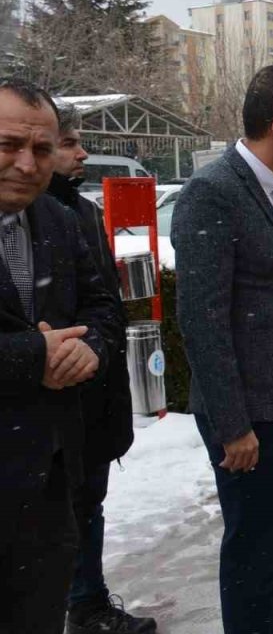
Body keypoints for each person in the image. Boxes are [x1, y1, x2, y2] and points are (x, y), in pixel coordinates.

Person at [172, 63, 273, 634]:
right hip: (251, 422)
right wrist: (234, 425)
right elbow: (203, 319)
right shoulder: (211, 195)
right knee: (255, 554)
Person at [0, 78, 121, 634]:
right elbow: (35, 348)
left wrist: (89, 351)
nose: (27, 164)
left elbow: (102, 306)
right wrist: (33, 355)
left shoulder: (58, 220)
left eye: (42, 149)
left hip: (49, 481)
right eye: (9, 145)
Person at [45, 105, 156, 634]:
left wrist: (98, 343)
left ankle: (86, 601)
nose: (81, 153)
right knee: (51, 516)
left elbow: (104, 302)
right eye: (68, 143)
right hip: (47, 406)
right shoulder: (28, 219)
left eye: (77, 141)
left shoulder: (81, 213)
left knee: (87, 504)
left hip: (94, 397)